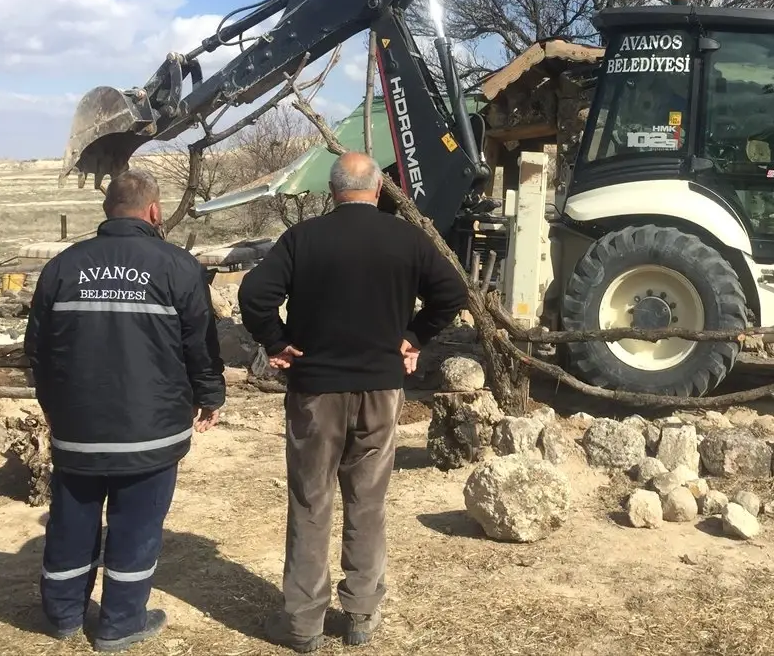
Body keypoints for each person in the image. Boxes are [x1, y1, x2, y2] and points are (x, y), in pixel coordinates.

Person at [238, 151, 467, 653]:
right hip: (381, 389)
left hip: (315, 390)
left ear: (333, 190)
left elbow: (255, 295)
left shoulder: (303, 239)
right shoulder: (407, 239)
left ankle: (303, 625)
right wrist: (415, 337)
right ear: (379, 190)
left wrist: (276, 343)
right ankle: (361, 614)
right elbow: (452, 291)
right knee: (367, 501)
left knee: (310, 501)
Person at [24, 168, 225, 653]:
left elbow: (37, 352)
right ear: (154, 211)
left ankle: (63, 615)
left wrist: (53, 408)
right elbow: (199, 344)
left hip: (78, 431)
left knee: (71, 522)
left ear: (106, 209)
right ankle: (119, 622)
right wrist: (210, 394)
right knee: (136, 527)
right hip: (149, 433)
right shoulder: (177, 266)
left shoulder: (63, 268)